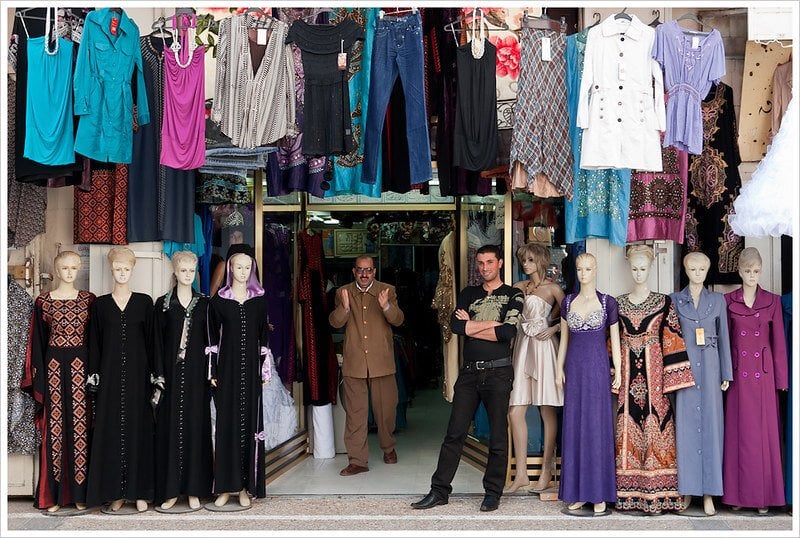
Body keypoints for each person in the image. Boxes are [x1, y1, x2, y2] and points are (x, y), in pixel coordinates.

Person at [412, 244, 523, 512]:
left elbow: (508, 333)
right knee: (455, 433)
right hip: (470, 372)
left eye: (489, 262)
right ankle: (439, 491)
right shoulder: (468, 293)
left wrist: (473, 327)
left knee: (498, 435)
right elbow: (456, 326)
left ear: (500, 263)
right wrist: (488, 326)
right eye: (480, 263)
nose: (484, 268)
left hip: (498, 371)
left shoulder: (513, 294)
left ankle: (493, 493)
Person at [614, 245, 695, 514]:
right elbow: (610, 342)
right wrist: (612, 374)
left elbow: (672, 339)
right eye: (634, 268)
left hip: (655, 376)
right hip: (627, 375)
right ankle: (628, 493)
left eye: (643, 268)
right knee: (626, 424)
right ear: (629, 268)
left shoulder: (663, 302)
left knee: (656, 423)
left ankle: (659, 493)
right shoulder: (618, 303)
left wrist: (673, 380)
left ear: (650, 269)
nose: (639, 273)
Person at [21, 251, 95, 512]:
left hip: (80, 369)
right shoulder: (44, 301)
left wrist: (94, 374)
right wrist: (38, 377)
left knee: (80, 429)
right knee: (55, 430)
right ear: (56, 269)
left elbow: (94, 340)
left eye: (74, 267)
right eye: (64, 267)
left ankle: (79, 494)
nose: (70, 272)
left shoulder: (88, 300)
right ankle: (53, 496)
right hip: (53, 368)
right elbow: (37, 342)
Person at [86, 247, 156, 512]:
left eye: (126, 268)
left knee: (139, 431)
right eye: (118, 268)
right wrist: (95, 378)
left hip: (139, 378)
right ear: (111, 269)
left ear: (133, 269)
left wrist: (155, 376)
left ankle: (138, 493)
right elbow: (94, 344)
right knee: (113, 432)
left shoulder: (144, 302)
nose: (122, 272)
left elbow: (153, 343)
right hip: (111, 378)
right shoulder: (101, 305)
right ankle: (116, 492)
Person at [723, 247, 788, 514]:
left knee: (762, 438)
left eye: (757, 271)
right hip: (738, 377)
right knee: (739, 436)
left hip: (762, 378)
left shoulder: (772, 301)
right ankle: (737, 497)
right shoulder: (728, 301)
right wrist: (725, 373)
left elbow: (779, 344)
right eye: (748, 271)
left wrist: (781, 379)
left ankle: (763, 498)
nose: (752, 275)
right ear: (739, 271)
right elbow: (725, 341)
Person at [556, 252, 621, 516]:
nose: (584, 274)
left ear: (596, 270)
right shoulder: (568, 302)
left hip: (597, 369)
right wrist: (558, 367)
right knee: (574, 427)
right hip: (574, 367)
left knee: (597, 427)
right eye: (580, 269)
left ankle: (599, 493)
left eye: (589, 269)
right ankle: (577, 493)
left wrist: (617, 368)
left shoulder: (608, 303)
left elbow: (615, 339)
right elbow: (563, 340)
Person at [328, 255, 405, 476]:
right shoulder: (343, 292)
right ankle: (357, 460)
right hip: (355, 362)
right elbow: (335, 323)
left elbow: (398, 320)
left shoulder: (387, 290)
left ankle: (388, 448)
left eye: (368, 270)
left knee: (386, 410)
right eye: (360, 270)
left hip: (382, 362)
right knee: (355, 414)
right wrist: (344, 308)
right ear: (354, 271)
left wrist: (386, 306)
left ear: (374, 271)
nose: (364, 274)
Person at [671, 251, 733, 516]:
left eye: (702, 270)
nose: (697, 274)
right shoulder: (675, 301)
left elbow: (725, 338)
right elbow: (671, 340)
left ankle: (709, 492)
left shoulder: (717, 301)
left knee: (711, 428)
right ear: (686, 270)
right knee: (684, 429)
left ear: (708, 272)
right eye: (693, 269)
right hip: (685, 370)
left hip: (710, 367)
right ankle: (687, 489)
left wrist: (726, 373)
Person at [207, 250, 270, 507]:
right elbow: (211, 340)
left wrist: (264, 369)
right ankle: (225, 487)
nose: (243, 272)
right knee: (226, 427)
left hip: (251, 373)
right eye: (238, 267)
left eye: (247, 268)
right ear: (230, 269)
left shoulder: (259, 301)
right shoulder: (219, 302)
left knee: (249, 428)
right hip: (228, 371)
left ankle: (245, 487)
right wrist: (212, 372)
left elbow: (263, 338)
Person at [153, 251, 213, 511]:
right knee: (170, 430)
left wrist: (212, 373)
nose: (187, 275)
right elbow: (156, 341)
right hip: (171, 375)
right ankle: (170, 491)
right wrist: (158, 375)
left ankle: (194, 490)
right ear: (175, 272)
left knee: (195, 429)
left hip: (197, 377)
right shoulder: (163, 304)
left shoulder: (205, 303)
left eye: (191, 271)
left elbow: (212, 343)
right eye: (183, 270)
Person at [506, 243, 564, 494]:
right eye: (523, 260)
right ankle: (520, 474)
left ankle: (546, 471)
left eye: (530, 260)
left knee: (546, 410)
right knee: (515, 411)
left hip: (544, 348)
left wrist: (554, 328)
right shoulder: (518, 288)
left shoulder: (554, 289)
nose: (525, 264)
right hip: (522, 346)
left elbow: (569, 317)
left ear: (540, 261)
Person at [209, 225, 245, 296]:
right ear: (228, 240)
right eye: (232, 237)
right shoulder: (224, 265)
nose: (236, 240)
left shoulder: (249, 264)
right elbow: (211, 294)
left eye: (239, 237)